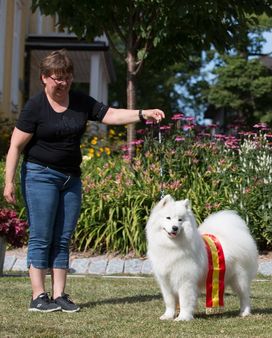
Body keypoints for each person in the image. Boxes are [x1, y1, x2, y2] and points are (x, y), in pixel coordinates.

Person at [3, 49, 164, 313]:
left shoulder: (79, 101)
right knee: (42, 236)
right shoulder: (35, 106)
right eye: (57, 77)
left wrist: (142, 113)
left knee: (63, 238)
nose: (62, 82)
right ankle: (38, 296)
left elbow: (110, 115)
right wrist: (9, 181)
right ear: (44, 78)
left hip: (71, 179)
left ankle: (59, 296)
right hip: (40, 175)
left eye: (66, 77)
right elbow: (15, 146)